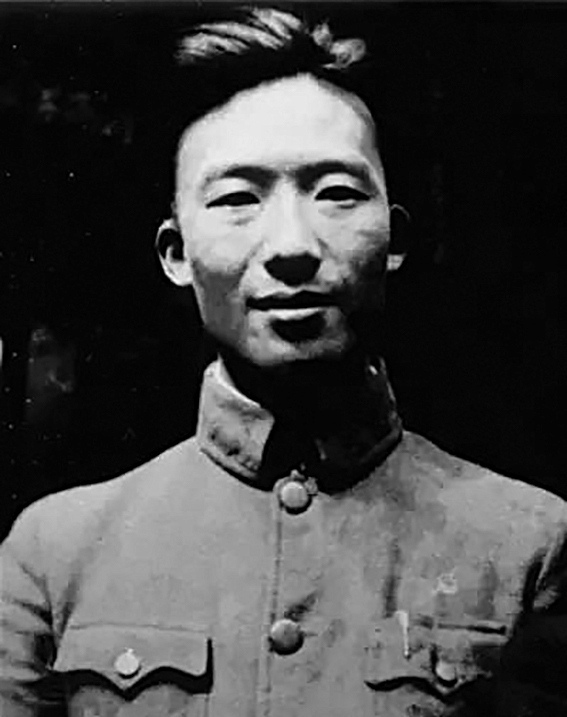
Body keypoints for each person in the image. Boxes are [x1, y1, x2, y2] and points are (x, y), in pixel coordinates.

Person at [1, 7, 567, 716]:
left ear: (394, 239)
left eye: (337, 194)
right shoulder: (56, 554)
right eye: (238, 198)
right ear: (176, 253)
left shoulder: (530, 546)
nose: (292, 245)